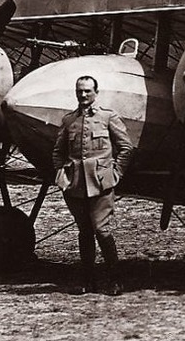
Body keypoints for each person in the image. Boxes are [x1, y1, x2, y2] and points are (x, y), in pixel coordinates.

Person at [52, 75, 136, 295]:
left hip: (101, 184)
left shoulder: (108, 117)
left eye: (87, 91)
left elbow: (126, 148)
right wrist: (62, 174)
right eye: (79, 91)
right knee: (85, 231)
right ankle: (88, 281)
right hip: (76, 185)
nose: (83, 95)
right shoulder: (69, 120)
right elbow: (58, 152)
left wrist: (115, 173)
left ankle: (115, 280)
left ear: (96, 93)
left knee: (102, 230)